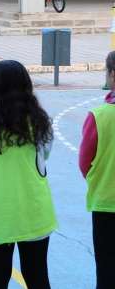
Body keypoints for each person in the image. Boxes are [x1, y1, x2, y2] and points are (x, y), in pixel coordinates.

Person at [0, 60, 56, 289]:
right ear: (27, 87)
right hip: (34, 210)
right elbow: (44, 156)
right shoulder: (40, 123)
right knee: (37, 276)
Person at [79, 50, 115, 288]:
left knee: (107, 268)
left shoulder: (99, 116)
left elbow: (85, 162)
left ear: (112, 74)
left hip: (106, 203)